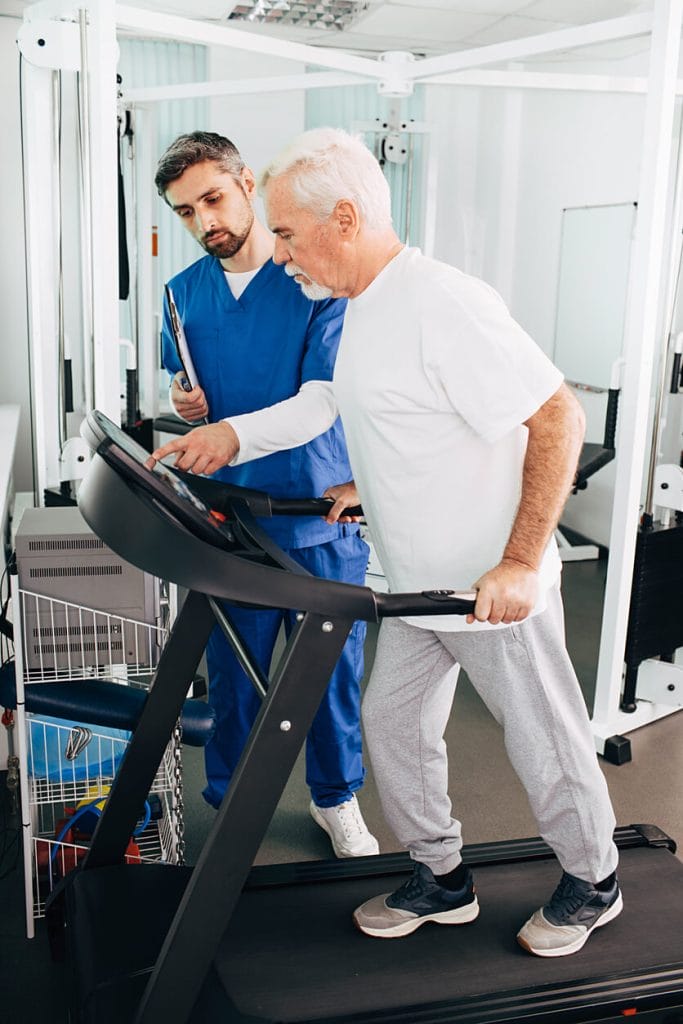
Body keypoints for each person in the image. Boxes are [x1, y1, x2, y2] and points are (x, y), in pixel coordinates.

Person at [151, 128, 621, 958]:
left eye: (289, 234)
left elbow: (556, 418)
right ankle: (440, 877)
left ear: (343, 218)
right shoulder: (356, 306)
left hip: (485, 587)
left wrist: (517, 563)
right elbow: (338, 404)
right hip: (411, 581)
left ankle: (595, 880)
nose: (282, 252)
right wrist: (233, 436)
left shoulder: (444, 300)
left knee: (542, 739)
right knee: (393, 726)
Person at [153, 131, 378, 859]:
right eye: (185, 211)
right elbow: (182, 380)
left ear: (248, 184)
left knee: (330, 674)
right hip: (230, 517)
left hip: (317, 512)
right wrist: (186, 404)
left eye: (212, 198)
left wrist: (227, 432)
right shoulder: (181, 294)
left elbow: (322, 399)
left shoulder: (313, 277)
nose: (204, 220)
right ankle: (234, 803)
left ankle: (336, 798)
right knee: (233, 676)